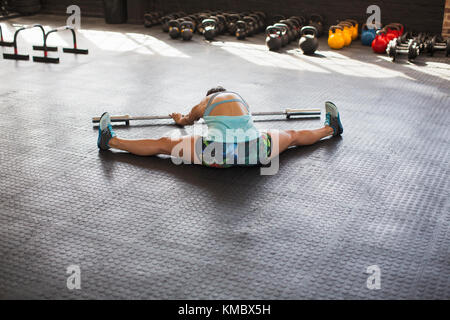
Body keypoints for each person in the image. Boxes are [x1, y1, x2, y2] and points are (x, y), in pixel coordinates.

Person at [97, 86, 343, 168]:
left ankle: (111, 141)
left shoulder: (206, 103)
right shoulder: (240, 100)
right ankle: (331, 128)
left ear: (209, 96)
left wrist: (178, 117)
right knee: (293, 135)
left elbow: (186, 120)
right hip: (257, 153)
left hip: (215, 154)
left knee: (163, 144)